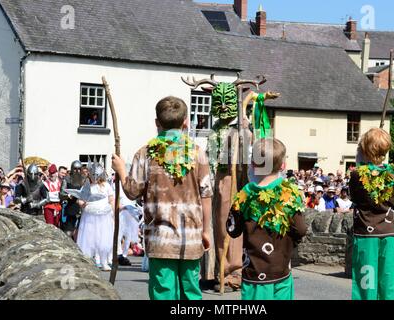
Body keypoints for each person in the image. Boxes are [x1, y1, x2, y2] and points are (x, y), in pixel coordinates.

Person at [112, 96, 213, 300]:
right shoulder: (197, 153)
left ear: (157, 122)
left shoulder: (145, 153)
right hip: (191, 236)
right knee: (191, 292)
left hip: (161, 238)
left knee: (163, 293)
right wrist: (206, 230)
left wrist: (122, 170)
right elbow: (206, 195)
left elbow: (132, 191)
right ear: (185, 121)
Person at [226, 138, 307, 300]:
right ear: (282, 166)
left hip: (254, 272)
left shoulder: (244, 195)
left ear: (253, 164)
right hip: (281, 269)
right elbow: (300, 229)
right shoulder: (290, 194)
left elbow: (232, 230)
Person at [349, 128, 394, 300]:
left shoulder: (358, 175)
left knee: (367, 281)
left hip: (366, 234)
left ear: (365, 150)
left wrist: (360, 155)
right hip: (387, 233)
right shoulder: (393, 174)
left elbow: (354, 197)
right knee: (389, 280)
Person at [76, 161, 114, 271]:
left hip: (104, 215)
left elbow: (111, 199)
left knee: (104, 239)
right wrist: (83, 204)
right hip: (90, 216)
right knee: (90, 238)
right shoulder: (87, 186)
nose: (94, 178)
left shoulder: (106, 185)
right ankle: (91, 261)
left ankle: (104, 261)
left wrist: (112, 211)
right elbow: (80, 200)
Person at [60, 160, 86, 239]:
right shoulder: (67, 179)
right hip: (71, 208)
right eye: (75, 169)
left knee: (82, 233)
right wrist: (68, 195)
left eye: (79, 169)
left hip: (83, 208)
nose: (77, 171)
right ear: (72, 169)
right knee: (68, 233)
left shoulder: (84, 179)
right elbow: (61, 194)